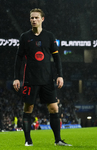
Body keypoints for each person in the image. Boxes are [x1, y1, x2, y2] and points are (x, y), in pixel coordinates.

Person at [13, 8, 72, 146]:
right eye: (31, 18)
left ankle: (58, 140)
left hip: (47, 79)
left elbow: (57, 57)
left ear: (42, 19)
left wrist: (60, 75)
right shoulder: (25, 37)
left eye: (36, 18)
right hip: (30, 79)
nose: (33, 20)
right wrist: (17, 77)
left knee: (54, 108)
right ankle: (28, 141)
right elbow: (19, 59)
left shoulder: (49, 36)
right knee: (28, 109)